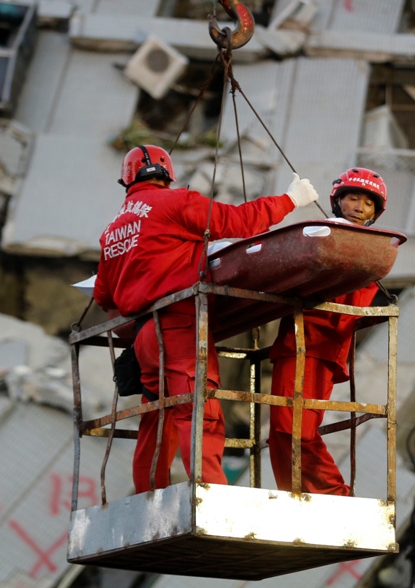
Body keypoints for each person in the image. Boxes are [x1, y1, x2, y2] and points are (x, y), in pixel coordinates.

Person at [93, 144, 318, 494]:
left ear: (126, 179)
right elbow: (239, 221)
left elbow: (105, 296)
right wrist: (290, 200)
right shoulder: (176, 202)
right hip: (180, 325)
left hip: (143, 336)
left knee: (157, 418)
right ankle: (211, 496)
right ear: (168, 174)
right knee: (200, 413)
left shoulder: (112, 231)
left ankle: (147, 497)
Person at [267, 167, 388, 496]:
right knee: (280, 432)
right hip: (299, 341)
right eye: (353, 198)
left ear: (376, 212)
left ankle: (335, 495)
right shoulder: (324, 235)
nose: (360, 206)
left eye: (368, 202)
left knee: (295, 430)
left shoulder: (373, 248)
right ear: (338, 201)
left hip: (320, 345)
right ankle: (292, 495)